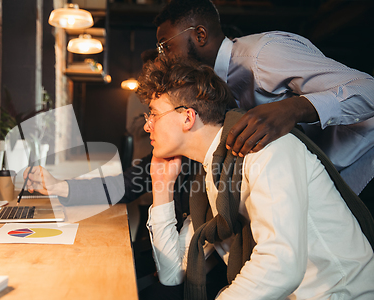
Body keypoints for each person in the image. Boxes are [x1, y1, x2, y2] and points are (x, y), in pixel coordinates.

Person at [137, 56, 374, 300]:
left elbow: (280, 264)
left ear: (187, 117)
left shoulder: (266, 149)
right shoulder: (211, 173)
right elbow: (172, 274)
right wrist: (162, 187)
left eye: (153, 113)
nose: (147, 126)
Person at [153, 0, 374, 217]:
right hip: (327, 185)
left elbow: (368, 89)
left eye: (165, 46)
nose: (163, 57)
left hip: (363, 163)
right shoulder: (210, 87)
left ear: (199, 35)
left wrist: (293, 108)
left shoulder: (262, 55)